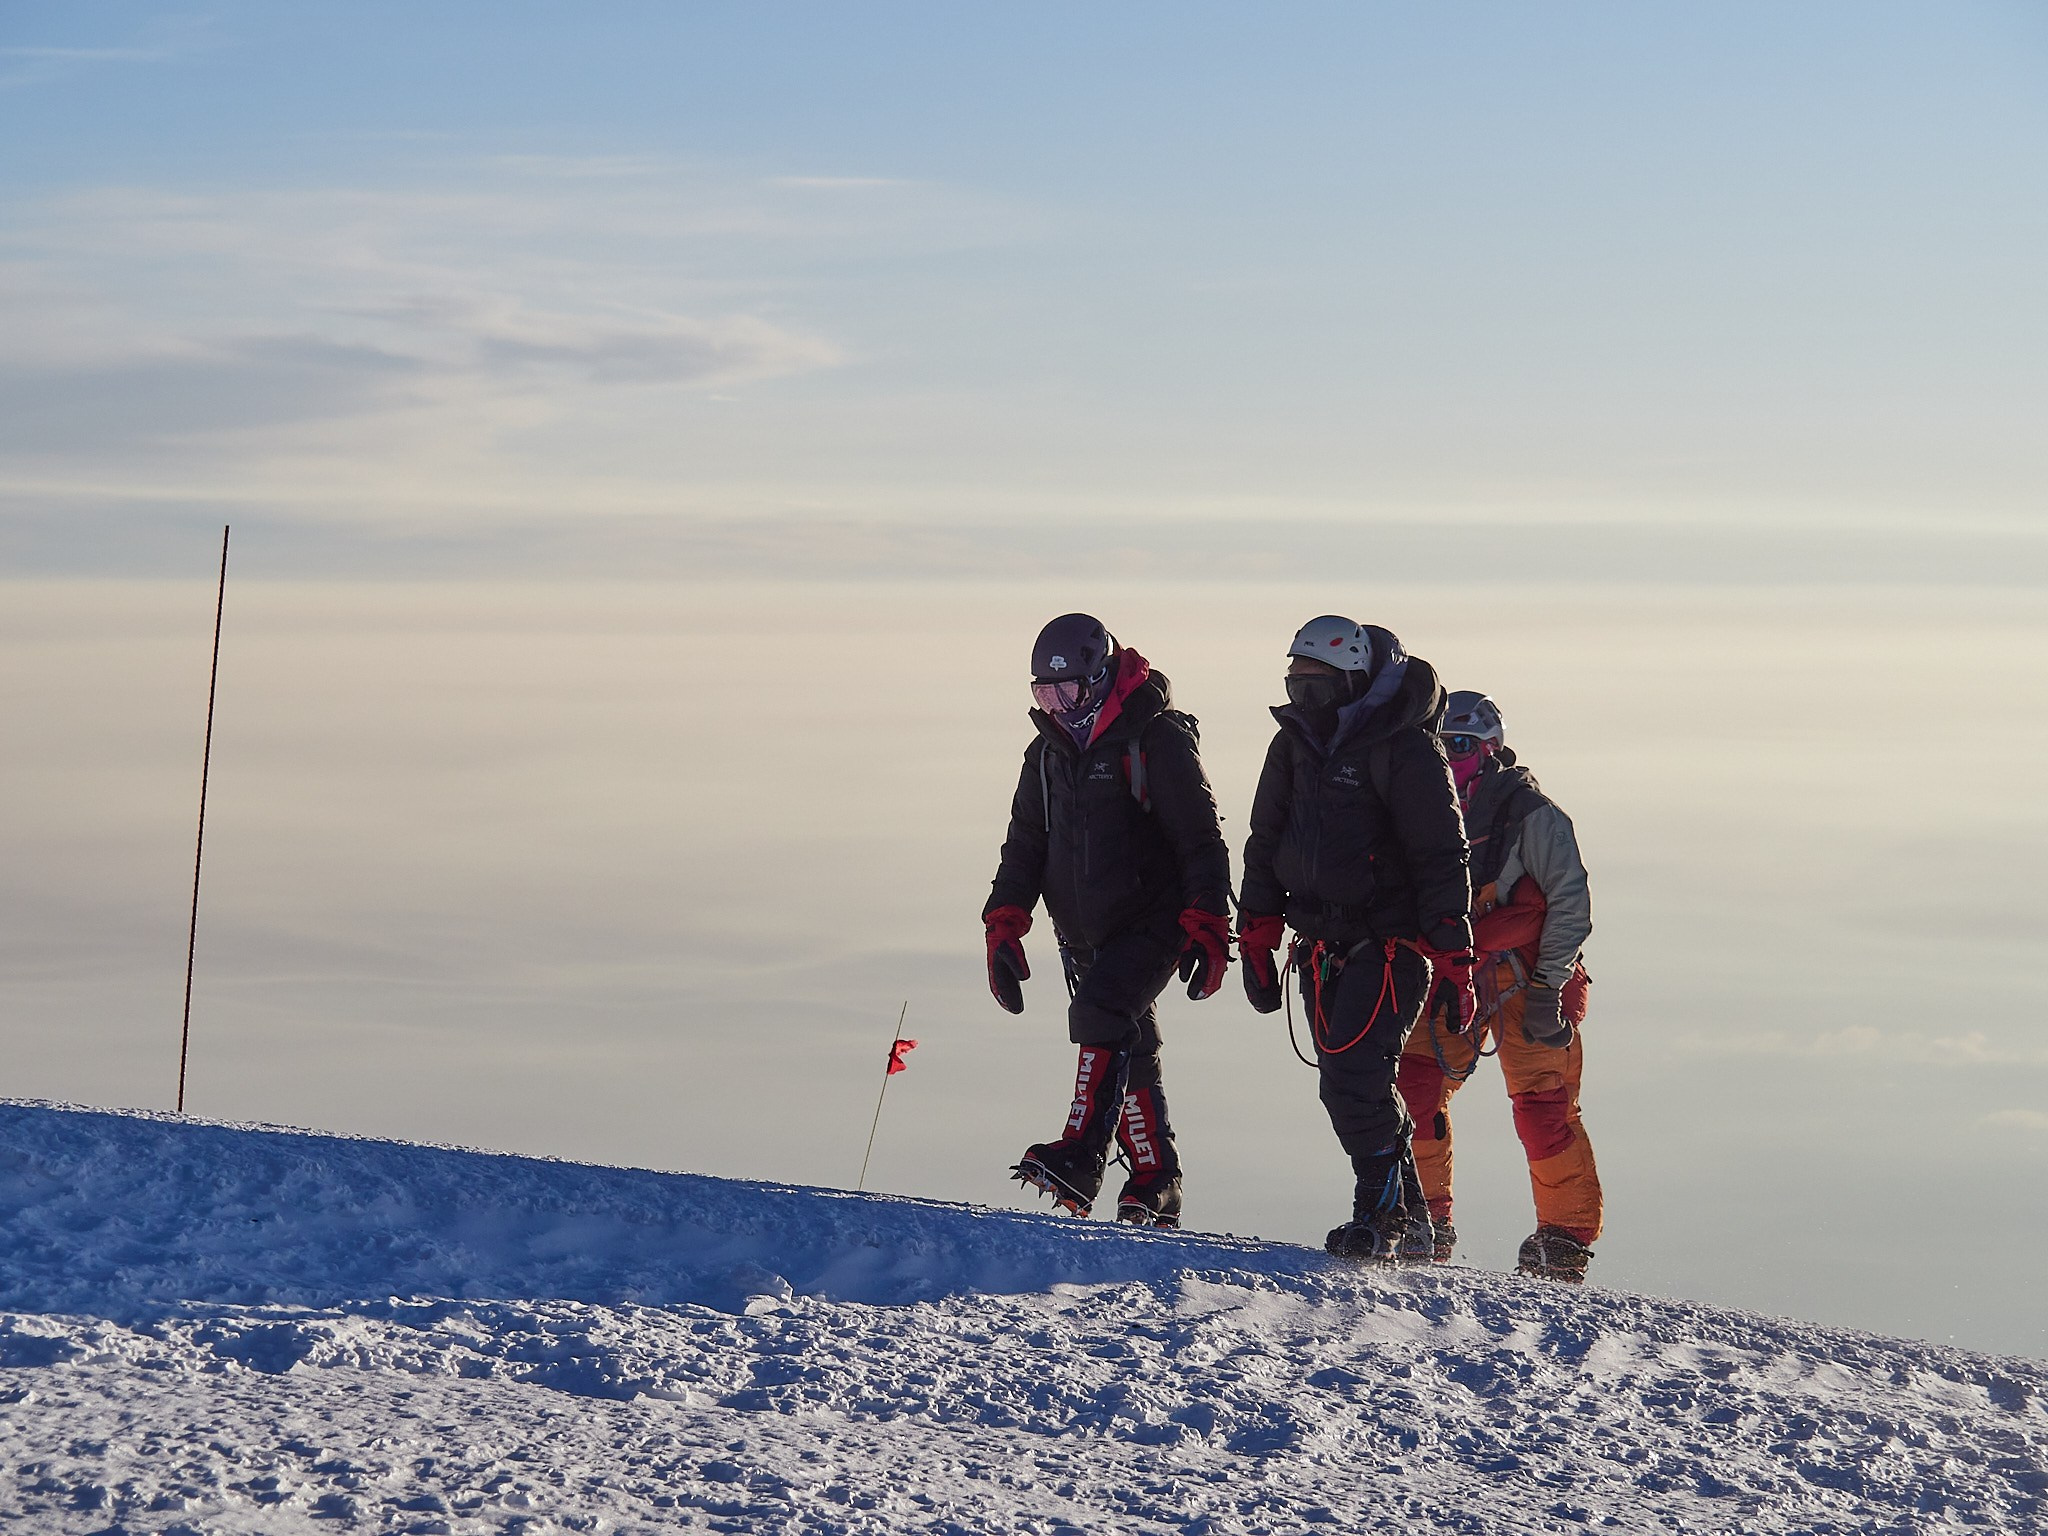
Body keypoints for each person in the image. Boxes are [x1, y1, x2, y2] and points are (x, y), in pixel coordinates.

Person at [1237, 616, 1475, 1263]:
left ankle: (1378, 1215)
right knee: (1353, 1081)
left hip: (1388, 944)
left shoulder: (1406, 749)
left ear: (1355, 683)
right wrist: (1254, 934)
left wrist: (1457, 960)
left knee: (1351, 1080)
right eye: (1296, 688)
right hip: (1317, 942)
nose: (1304, 703)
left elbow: (1441, 856)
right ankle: (1415, 1219)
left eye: (1318, 690)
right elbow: (1265, 842)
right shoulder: (1291, 746)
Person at [982, 614, 1233, 1228]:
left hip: (1155, 915)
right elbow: (1025, 843)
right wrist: (1005, 922)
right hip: (1084, 929)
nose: (1057, 706)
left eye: (1066, 692)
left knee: (1100, 1012)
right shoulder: (1046, 754)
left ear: (1098, 680)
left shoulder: (1157, 737)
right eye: (1044, 694)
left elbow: (1202, 837)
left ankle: (1081, 1155)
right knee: (1128, 1041)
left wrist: (1207, 922)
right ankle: (1155, 1180)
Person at [1395, 690, 1602, 1283]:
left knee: (1543, 1108)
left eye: (1461, 745)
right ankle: (1424, 1217)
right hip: (1454, 974)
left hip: (1531, 976)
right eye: (1441, 745)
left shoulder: (1533, 816)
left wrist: (1549, 985)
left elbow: (1569, 903)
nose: (1450, 757)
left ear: (1490, 750)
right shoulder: (1419, 809)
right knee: (1414, 1086)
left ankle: (1563, 1238)